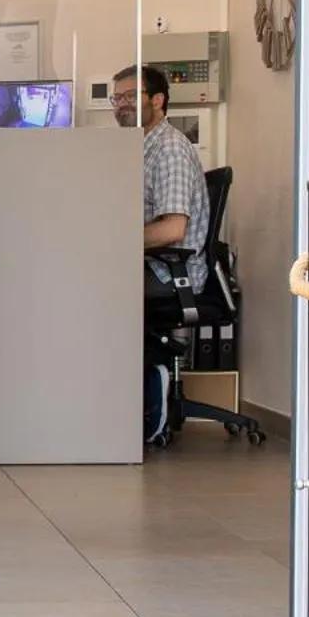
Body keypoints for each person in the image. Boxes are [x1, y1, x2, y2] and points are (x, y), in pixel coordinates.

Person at [113, 64, 209, 445]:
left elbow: (173, 229)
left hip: (175, 275)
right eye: (117, 98)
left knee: (93, 291)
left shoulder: (168, 150)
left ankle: (148, 383)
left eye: (130, 96)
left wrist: (111, 241)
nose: (121, 105)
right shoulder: (139, 148)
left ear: (158, 100)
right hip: (150, 265)